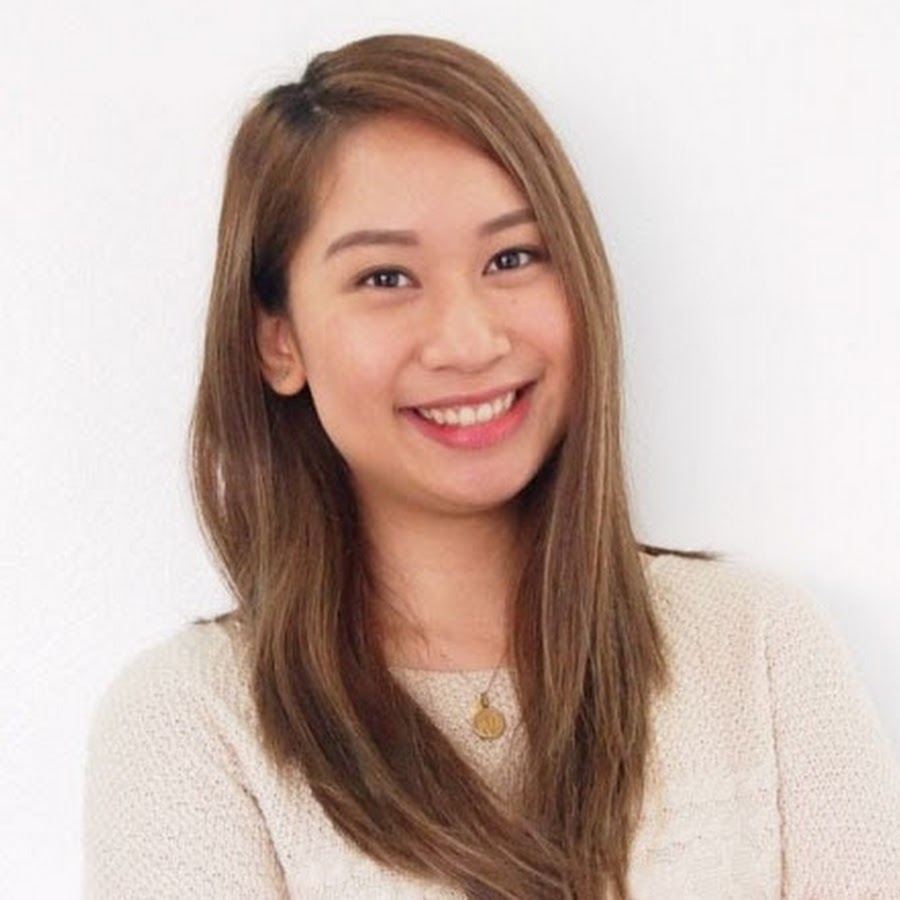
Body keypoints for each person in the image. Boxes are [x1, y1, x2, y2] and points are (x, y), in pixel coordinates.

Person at [83, 34, 900, 898]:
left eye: (512, 259)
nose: (470, 341)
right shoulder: (191, 724)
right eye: (385, 277)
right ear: (276, 342)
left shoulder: (758, 647)